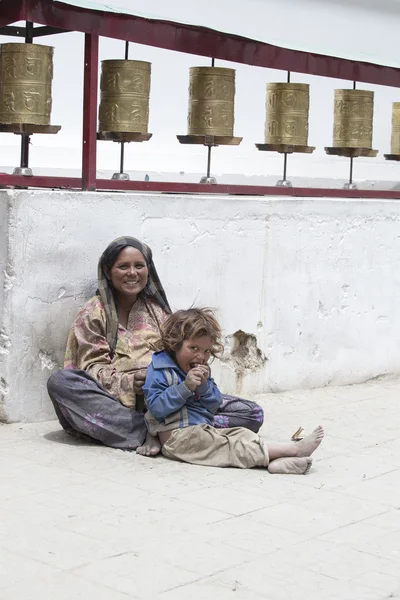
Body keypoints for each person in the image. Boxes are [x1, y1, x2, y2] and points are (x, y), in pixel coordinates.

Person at [47, 237, 265, 455]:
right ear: (108, 270)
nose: (132, 273)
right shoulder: (93, 313)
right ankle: (166, 432)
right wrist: (130, 382)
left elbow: (178, 354)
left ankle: (177, 430)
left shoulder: (156, 310)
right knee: (61, 383)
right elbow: (90, 369)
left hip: (171, 398)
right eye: (123, 266)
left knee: (251, 413)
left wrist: (186, 379)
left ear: (148, 269)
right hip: (121, 404)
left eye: (139, 266)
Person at [144, 308, 324, 473]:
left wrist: (204, 387)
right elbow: (157, 408)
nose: (201, 356)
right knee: (226, 446)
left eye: (207, 350)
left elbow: (214, 405)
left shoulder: (202, 370)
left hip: (204, 429)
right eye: (194, 348)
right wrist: (185, 388)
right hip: (177, 438)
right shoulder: (161, 369)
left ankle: (275, 463)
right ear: (175, 344)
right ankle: (294, 450)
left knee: (240, 434)